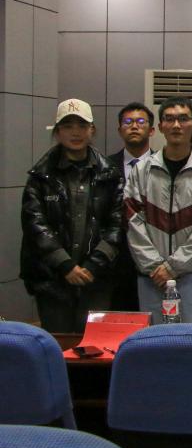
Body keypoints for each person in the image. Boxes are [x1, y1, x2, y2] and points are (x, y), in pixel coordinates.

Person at [20, 99, 122, 333]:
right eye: (67, 126)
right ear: (57, 132)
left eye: (82, 125)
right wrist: (65, 265)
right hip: (52, 280)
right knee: (58, 346)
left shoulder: (110, 174)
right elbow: (35, 225)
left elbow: (117, 225)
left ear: (92, 130)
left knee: (95, 347)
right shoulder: (40, 176)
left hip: (97, 280)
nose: (75, 132)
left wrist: (93, 265)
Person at [125, 97, 192, 324]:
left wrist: (173, 267)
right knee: (152, 340)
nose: (176, 125)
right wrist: (156, 266)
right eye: (169, 119)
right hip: (151, 275)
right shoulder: (142, 169)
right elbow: (132, 220)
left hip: (190, 274)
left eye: (183, 119)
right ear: (160, 127)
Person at [107, 102, 155, 311]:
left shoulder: (163, 165)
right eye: (128, 122)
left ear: (152, 130)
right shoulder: (105, 167)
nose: (134, 126)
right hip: (117, 260)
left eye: (140, 121)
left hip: (155, 258)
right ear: (120, 130)